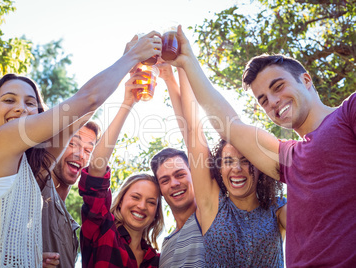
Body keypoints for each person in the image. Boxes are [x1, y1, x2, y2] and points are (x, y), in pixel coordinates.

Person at [0, 31, 162, 267]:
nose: (21, 109)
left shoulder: (26, 171)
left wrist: (27, 258)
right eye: (9, 100)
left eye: (30, 103)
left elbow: (76, 120)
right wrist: (133, 57)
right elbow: (87, 99)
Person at [168, 25, 356, 267]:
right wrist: (187, 61)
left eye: (278, 87)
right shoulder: (289, 157)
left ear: (306, 80)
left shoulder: (347, 113)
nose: (274, 102)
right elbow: (229, 126)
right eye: (264, 100)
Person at [162, 63, 286, 267]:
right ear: (219, 169)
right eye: (228, 161)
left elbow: (313, 230)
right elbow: (193, 130)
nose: (236, 168)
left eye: (246, 160)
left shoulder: (278, 209)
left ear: (259, 166)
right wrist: (182, 65)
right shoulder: (213, 205)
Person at [78, 64, 164, 267]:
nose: (142, 206)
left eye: (151, 202)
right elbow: (96, 169)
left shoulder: (158, 260)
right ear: (121, 200)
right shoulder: (102, 230)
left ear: (156, 213)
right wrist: (127, 103)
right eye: (135, 197)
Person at [149, 63, 205, 268]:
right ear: (160, 190)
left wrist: (179, 69)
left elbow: (193, 131)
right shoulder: (165, 247)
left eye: (180, 174)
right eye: (165, 180)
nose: (174, 183)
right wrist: (165, 75)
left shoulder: (210, 215)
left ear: (194, 174)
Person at [41, 121, 101, 267]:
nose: (80, 155)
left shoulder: (72, 229)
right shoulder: (37, 184)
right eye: (73, 143)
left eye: (88, 151)